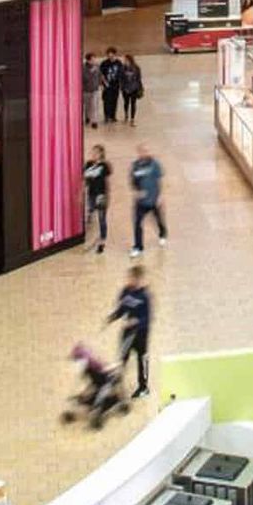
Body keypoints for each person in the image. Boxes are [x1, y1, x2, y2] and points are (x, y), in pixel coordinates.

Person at [107, 264, 152, 398]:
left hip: (140, 334)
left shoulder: (144, 296)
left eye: (132, 278)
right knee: (122, 358)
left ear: (138, 279)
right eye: (129, 277)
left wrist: (136, 321)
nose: (129, 280)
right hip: (127, 333)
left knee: (141, 359)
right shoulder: (125, 291)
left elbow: (148, 318)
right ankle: (116, 386)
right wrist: (113, 317)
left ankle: (143, 388)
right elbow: (122, 309)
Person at [129, 143, 167, 257]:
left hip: (153, 199)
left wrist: (160, 196)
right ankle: (138, 247)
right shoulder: (135, 166)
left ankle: (162, 233)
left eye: (146, 151)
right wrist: (136, 192)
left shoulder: (155, 164)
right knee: (137, 223)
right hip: (141, 202)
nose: (144, 153)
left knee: (157, 219)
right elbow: (133, 182)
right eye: (142, 151)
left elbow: (159, 180)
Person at [82, 144, 111, 253]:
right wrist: (81, 192)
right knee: (90, 217)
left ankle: (102, 242)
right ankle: (90, 239)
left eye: (96, 152)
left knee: (102, 219)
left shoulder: (104, 166)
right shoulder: (88, 164)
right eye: (92, 152)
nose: (93, 154)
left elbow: (107, 182)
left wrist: (107, 196)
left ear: (101, 154)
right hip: (91, 195)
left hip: (101, 196)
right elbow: (85, 180)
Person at [100, 47, 123, 124]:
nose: (110, 56)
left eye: (112, 54)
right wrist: (104, 83)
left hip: (115, 86)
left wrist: (121, 84)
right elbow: (101, 74)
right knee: (106, 101)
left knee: (114, 101)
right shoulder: (104, 63)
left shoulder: (119, 63)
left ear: (114, 54)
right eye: (109, 55)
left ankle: (113, 116)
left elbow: (121, 74)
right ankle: (106, 116)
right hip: (107, 85)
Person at [121, 53, 143, 125]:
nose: (124, 61)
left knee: (133, 104)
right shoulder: (123, 68)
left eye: (125, 60)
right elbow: (121, 78)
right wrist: (122, 87)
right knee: (126, 103)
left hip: (134, 88)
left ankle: (132, 119)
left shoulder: (136, 68)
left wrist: (139, 87)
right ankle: (126, 116)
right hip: (125, 89)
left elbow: (139, 79)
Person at [82, 52, 101, 128]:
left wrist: (100, 83)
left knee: (94, 106)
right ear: (88, 60)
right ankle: (87, 117)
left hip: (95, 89)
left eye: (94, 59)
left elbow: (100, 75)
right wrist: (91, 72)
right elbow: (84, 78)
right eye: (92, 59)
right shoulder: (83, 68)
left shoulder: (97, 66)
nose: (94, 61)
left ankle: (94, 122)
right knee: (87, 106)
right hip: (86, 90)